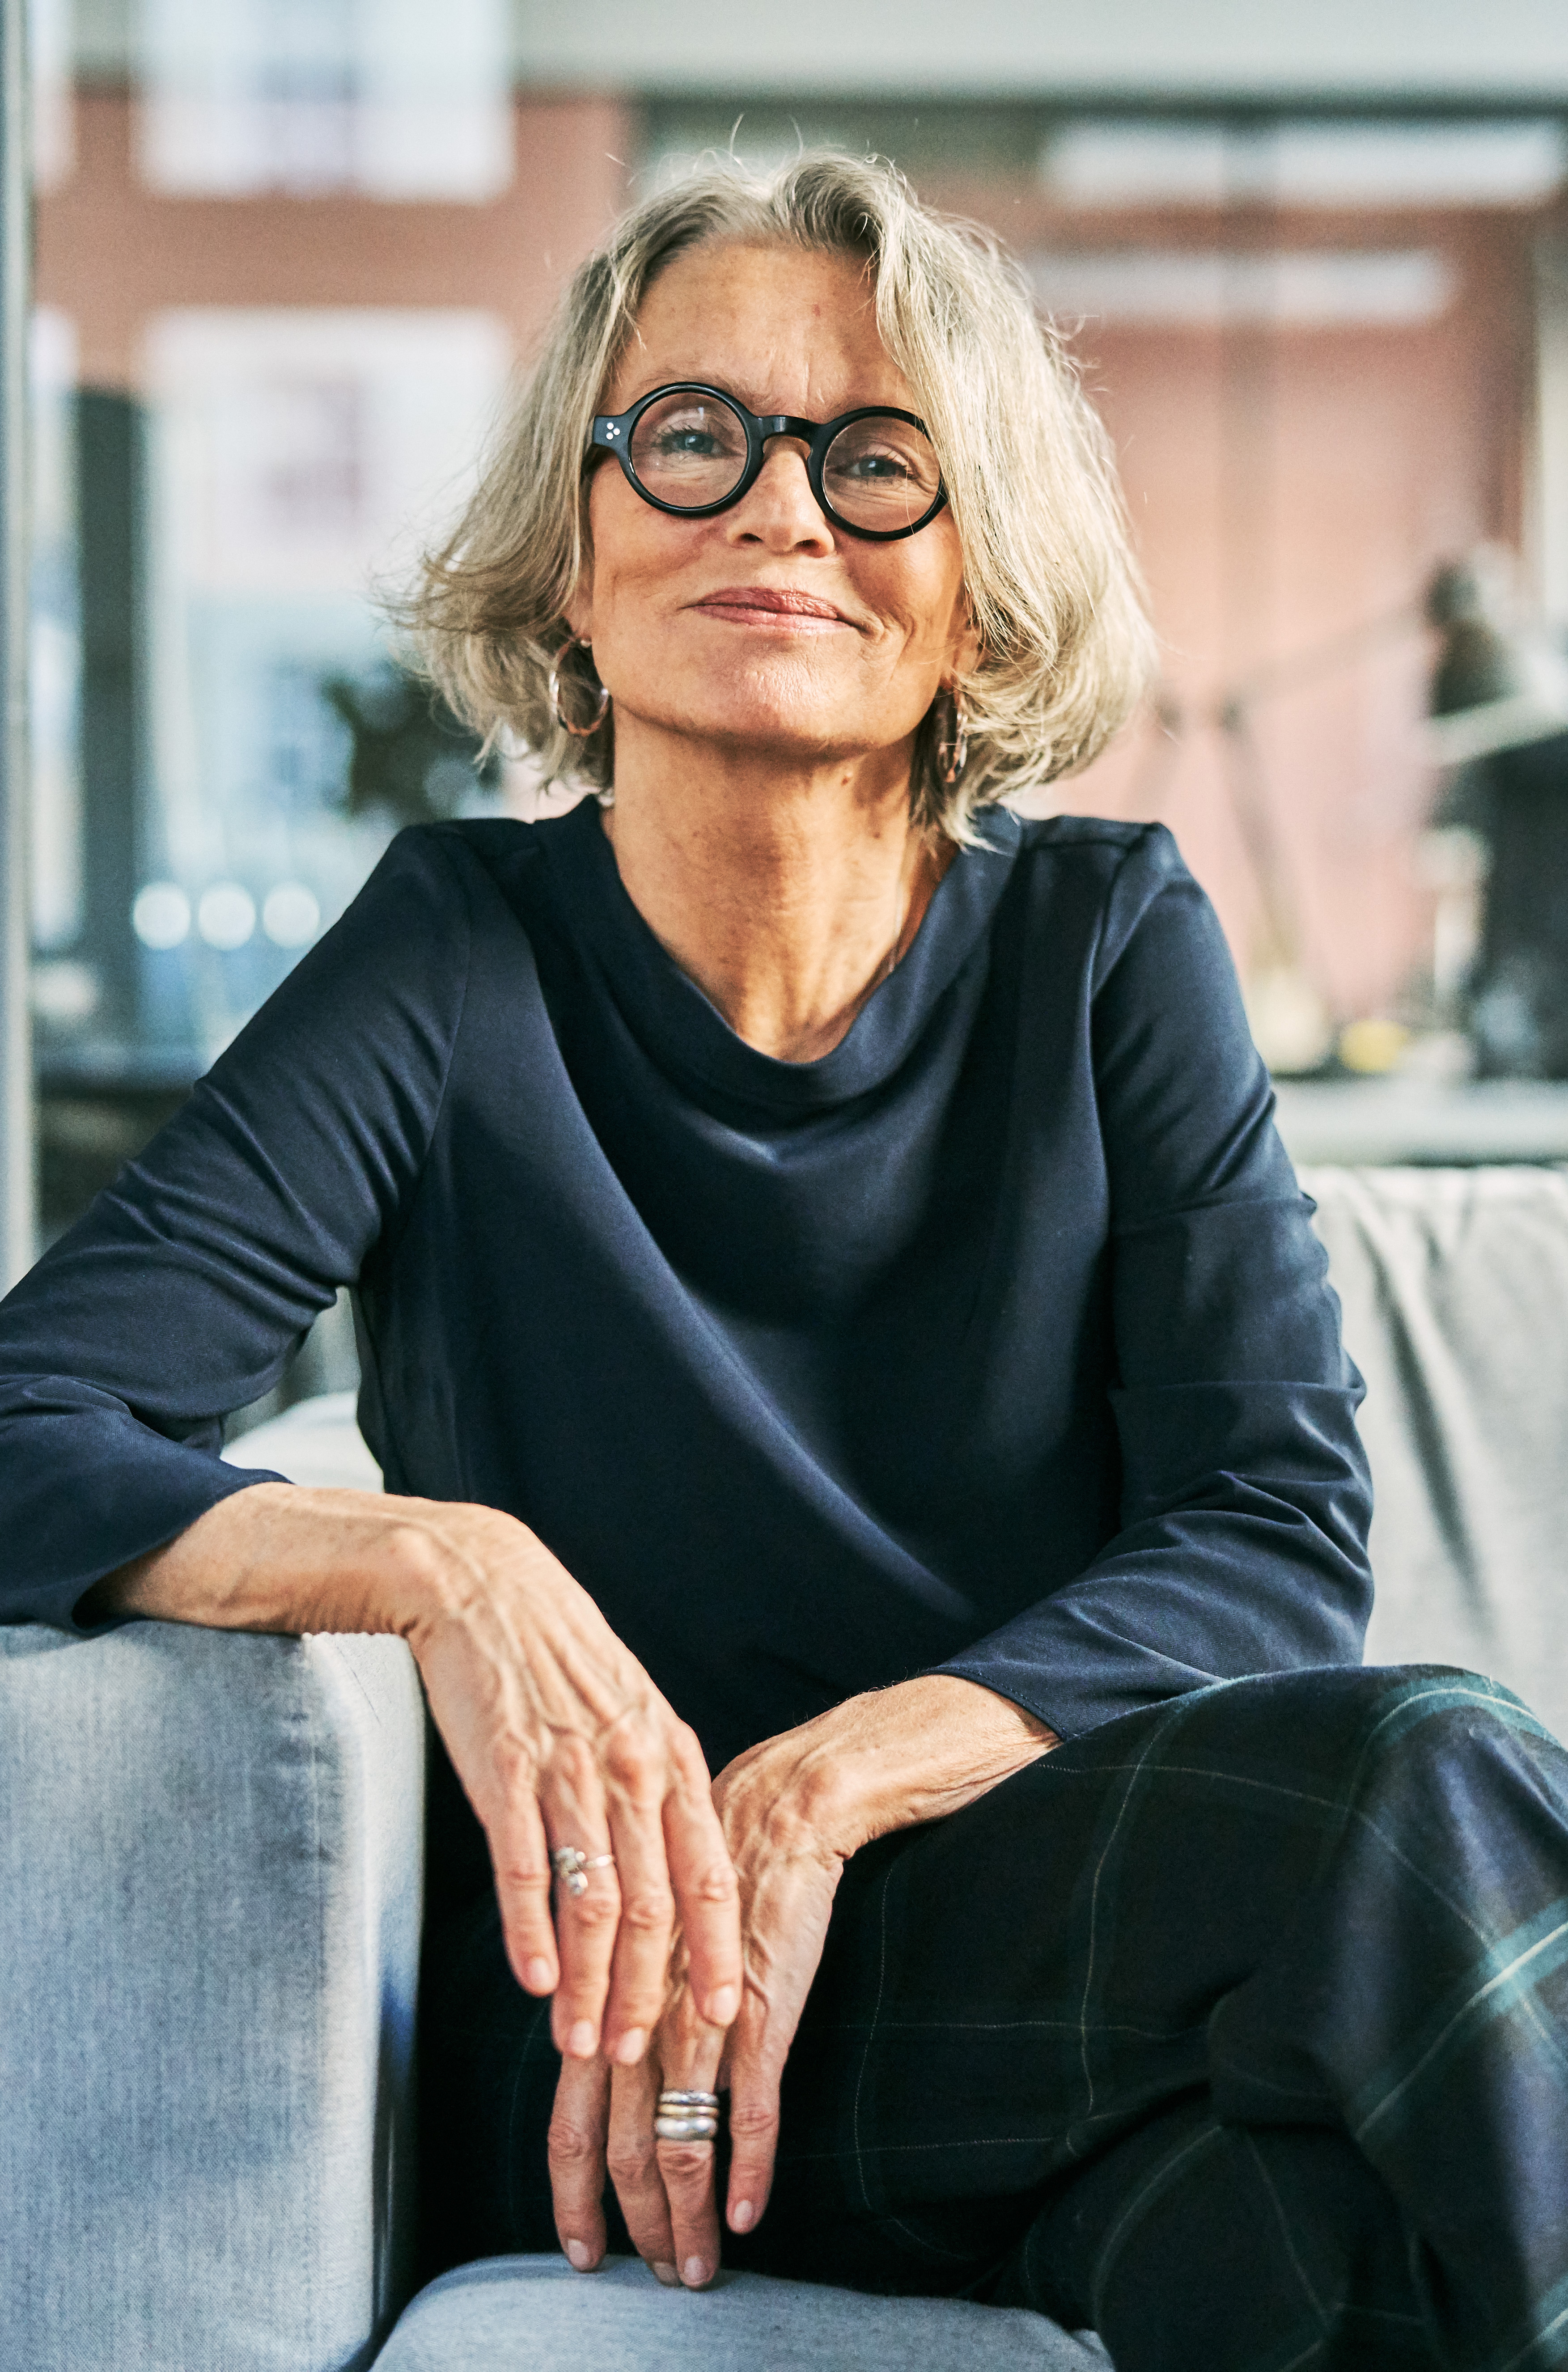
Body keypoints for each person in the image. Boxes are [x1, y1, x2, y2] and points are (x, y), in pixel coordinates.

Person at [2, 155, 1565, 2372]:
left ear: (977, 583)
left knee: (1335, 2246)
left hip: (1069, 1973)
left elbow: (1268, 1528)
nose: (782, 510)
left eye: (876, 458)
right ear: (577, 538)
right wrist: (443, 1565)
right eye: (695, 433)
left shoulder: (1108, 939)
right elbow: (24, 1421)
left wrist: (825, 1784)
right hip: (643, 2044)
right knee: (1425, 1787)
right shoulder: (454, 963)